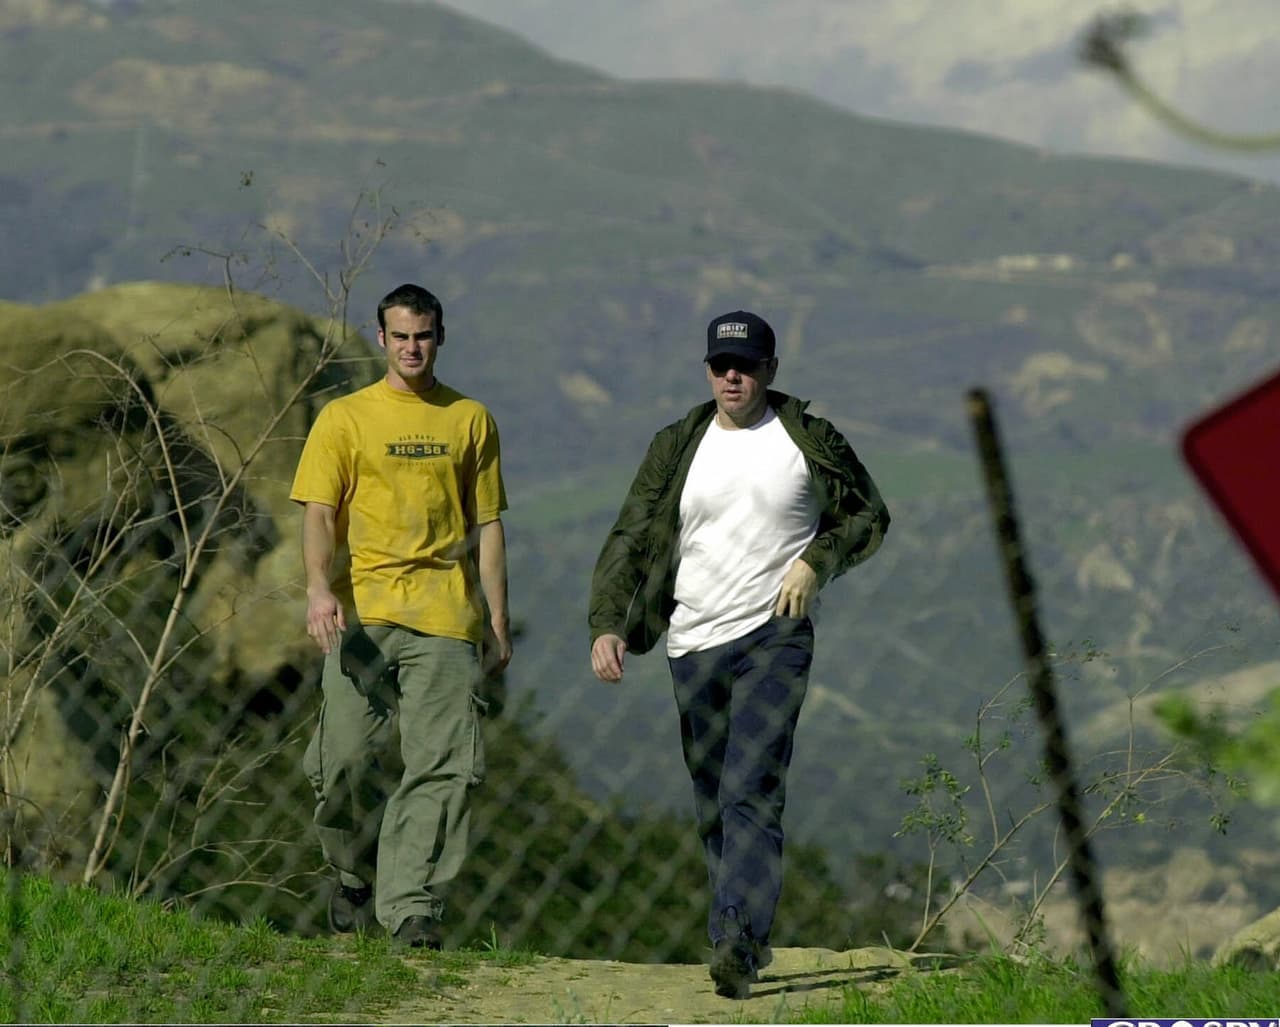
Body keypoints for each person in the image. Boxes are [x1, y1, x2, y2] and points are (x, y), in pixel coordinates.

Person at [588, 310, 889, 998]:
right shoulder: (678, 444)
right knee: (712, 794)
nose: (734, 375)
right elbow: (631, 535)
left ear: (770, 371)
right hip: (690, 639)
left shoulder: (806, 437)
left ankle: (736, 937)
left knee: (749, 784)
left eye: (747, 365)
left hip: (773, 636)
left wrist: (817, 562)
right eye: (723, 364)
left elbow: (868, 512)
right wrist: (607, 623)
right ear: (707, 369)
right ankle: (741, 927)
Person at [290, 283, 512, 949]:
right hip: (363, 617)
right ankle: (350, 870)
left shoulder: (470, 418)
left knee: (444, 766)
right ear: (381, 338)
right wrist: (318, 590)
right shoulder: (345, 419)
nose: (412, 346)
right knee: (343, 761)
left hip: (446, 615)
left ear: (440, 337)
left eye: (423, 335)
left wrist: (498, 618)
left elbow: (489, 526)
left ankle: (411, 906)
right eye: (400, 335)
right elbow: (319, 514)